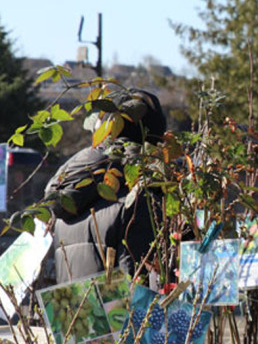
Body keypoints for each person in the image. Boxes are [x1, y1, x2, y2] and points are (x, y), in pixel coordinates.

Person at [44, 88, 166, 282]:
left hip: (79, 303)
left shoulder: (69, 201)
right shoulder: (139, 202)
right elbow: (141, 287)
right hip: (123, 303)